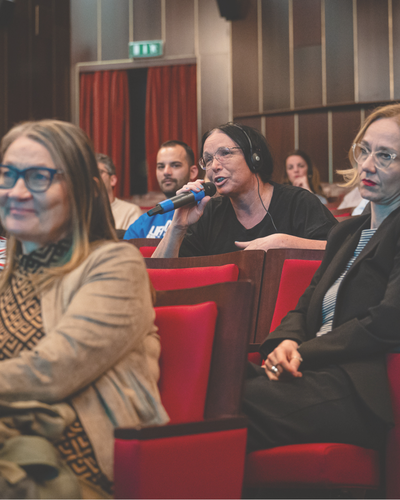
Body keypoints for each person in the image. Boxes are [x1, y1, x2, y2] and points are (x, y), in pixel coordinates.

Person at [0, 120, 168, 497]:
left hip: (74, 466)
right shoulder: (9, 277)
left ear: (82, 191)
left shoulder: (115, 265)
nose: (17, 191)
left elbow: (53, 369)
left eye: (39, 177)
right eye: (7, 174)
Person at [242, 103, 400, 455]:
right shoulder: (345, 233)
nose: (368, 165)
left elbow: (388, 321)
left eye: (386, 156)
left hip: (354, 387)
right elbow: (303, 307)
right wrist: (284, 343)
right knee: (210, 381)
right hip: (309, 373)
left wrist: (304, 351)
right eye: (365, 150)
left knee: (229, 402)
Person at [152, 123, 337, 258]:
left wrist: (285, 243)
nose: (214, 166)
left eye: (225, 153)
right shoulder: (208, 212)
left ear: (254, 157)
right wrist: (177, 226)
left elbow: (344, 249)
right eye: (207, 159)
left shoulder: (298, 202)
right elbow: (159, 277)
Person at [124, 140, 198, 240]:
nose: (166, 172)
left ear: (192, 172)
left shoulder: (203, 211)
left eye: (175, 165)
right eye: (161, 167)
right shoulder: (143, 222)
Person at [96, 153, 141, 230]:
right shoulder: (81, 212)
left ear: (112, 180)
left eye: (99, 172)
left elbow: (134, 241)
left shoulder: (130, 211)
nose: (94, 177)